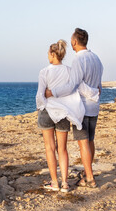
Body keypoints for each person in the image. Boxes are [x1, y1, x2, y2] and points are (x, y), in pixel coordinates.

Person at [36, 39, 99, 193]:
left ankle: (54, 182)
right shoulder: (70, 70)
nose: (48, 57)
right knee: (62, 149)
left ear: (52, 54)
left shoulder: (44, 72)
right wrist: (95, 92)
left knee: (50, 148)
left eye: (48, 54)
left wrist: (41, 107)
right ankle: (65, 183)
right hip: (63, 113)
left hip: (48, 111)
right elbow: (78, 88)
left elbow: (40, 94)